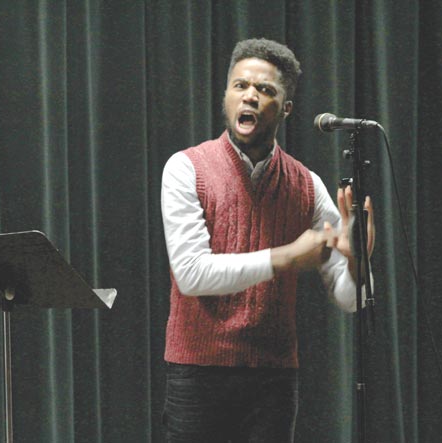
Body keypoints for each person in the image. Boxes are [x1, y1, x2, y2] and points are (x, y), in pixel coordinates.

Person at [160, 38, 375, 443]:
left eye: (265, 91)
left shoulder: (306, 185)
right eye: (240, 86)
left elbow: (351, 300)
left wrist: (357, 261)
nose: (250, 97)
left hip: (273, 381)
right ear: (226, 96)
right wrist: (286, 257)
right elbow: (191, 274)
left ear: (286, 109)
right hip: (198, 375)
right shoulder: (186, 168)